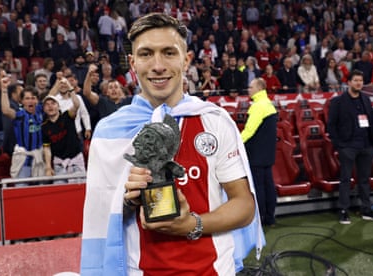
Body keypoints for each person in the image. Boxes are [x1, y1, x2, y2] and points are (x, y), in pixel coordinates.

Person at [80, 13, 264, 275]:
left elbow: (244, 206)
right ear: (132, 63)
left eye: (168, 52)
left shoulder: (215, 121)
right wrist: (129, 201)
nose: (158, 65)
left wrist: (192, 224)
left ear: (186, 59)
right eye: (145, 54)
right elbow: (99, 217)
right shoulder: (110, 132)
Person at [327, 70, 373, 224]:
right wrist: (339, 144)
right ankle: (344, 210)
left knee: (364, 179)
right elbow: (331, 125)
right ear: (349, 83)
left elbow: (371, 121)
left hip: (366, 145)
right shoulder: (338, 101)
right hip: (348, 146)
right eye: (356, 80)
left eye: (361, 80)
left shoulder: (366, 99)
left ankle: (366, 209)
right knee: (345, 179)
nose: (359, 83)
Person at [241, 77, 277, 226]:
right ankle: (270, 217)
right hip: (268, 154)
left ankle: (259, 219)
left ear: (259, 89)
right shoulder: (269, 104)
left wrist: (237, 144)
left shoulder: (257, 106)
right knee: (269, 185)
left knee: (259, 187)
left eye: (251, 87)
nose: (248, 89)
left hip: (256, 154)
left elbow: (249, 130)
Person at [1, 81, 45, 182]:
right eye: (27, 98)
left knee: (41, 191)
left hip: (38, 158)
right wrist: (4, 90)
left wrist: (59, 81)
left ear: (37, 100)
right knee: (22, 191)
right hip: (23, 160)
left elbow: (51, 94)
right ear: (21, 101)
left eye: (33, 98)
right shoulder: (19, 115)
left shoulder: (40, 110)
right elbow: (6, 110)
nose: (30, 101)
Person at [42, 92, 85, 184]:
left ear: (58, 106)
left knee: (79, 191)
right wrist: (48, 167)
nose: (50, 106)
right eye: (47, 104)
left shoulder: (67, 116)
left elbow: (77, 104)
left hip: (75, 160)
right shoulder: (44, 127)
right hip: (59, 164)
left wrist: (70, 88)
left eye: (53, 103)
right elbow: (47, 148)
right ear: (44, 109)